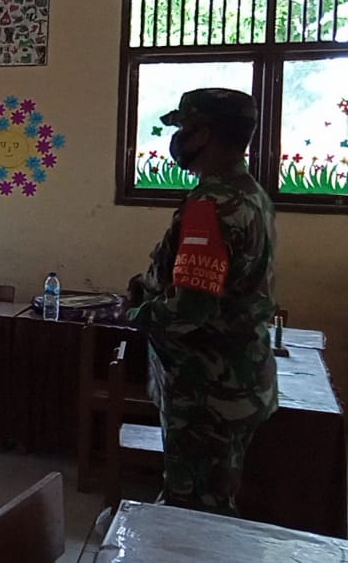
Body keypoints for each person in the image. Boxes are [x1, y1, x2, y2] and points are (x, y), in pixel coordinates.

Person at [126, 88, 277, 516]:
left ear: (204, 134)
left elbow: (190, 309)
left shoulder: (211, 205)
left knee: (192, 511)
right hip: (237, 379)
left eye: (183, 129)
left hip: (206, 391)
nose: (177, 140)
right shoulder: (250, 194)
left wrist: (135, 314)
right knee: (212, 500)